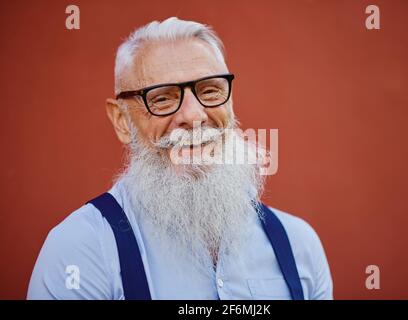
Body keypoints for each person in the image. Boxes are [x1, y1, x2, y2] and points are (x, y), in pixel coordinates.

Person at [27, 17, 333, 300]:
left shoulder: (298, 245)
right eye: (161, 98)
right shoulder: (81, 250)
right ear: (121, 120)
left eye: (211, 90)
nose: (194, 116)